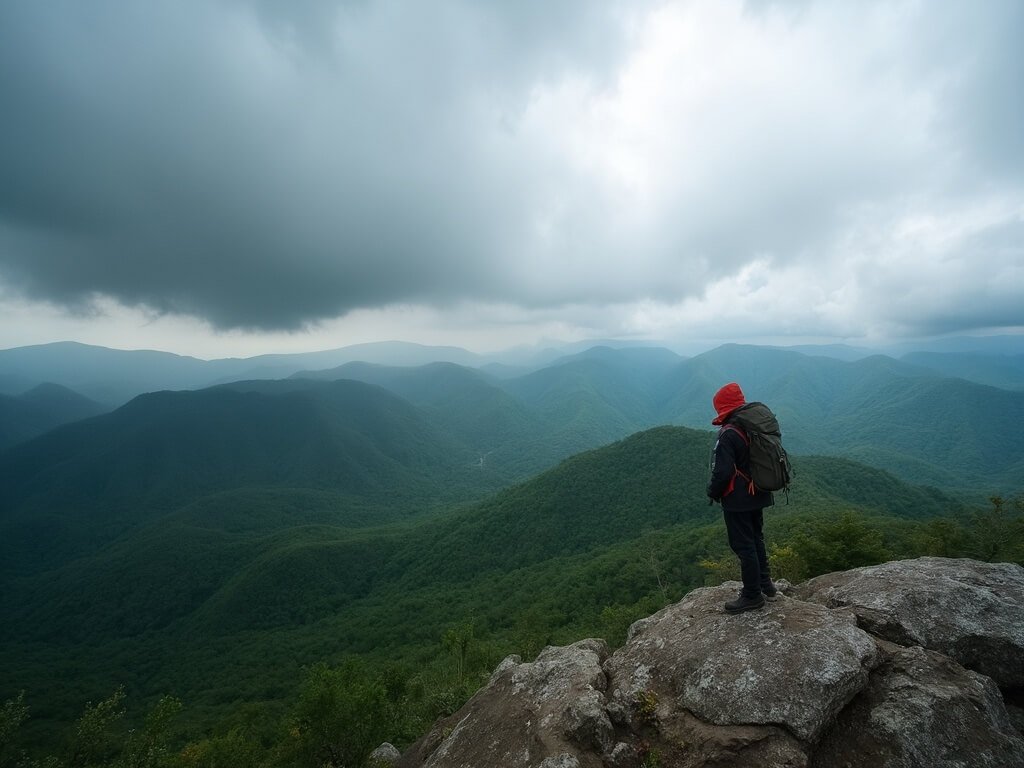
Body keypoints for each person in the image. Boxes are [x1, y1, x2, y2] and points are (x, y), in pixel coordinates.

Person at [706, 382, 778, 614]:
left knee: (743, 545)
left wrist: (712, 492)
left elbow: (723, 472)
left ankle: (752, 596)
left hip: (738, 499)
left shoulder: (728, 434)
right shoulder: (753, 427)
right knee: (756, 538)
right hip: (759, 491)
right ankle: (766, 585)